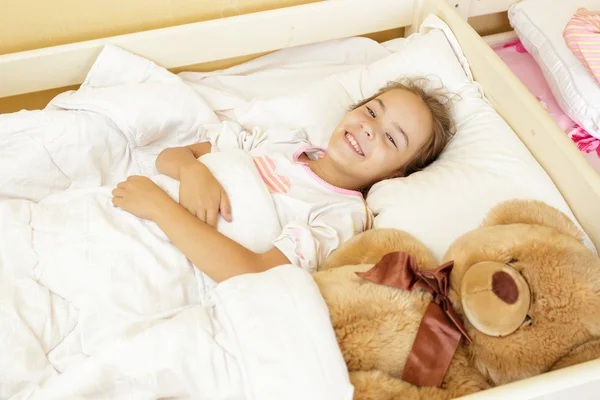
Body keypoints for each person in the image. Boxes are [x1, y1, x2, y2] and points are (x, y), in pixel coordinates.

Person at [111, 79, 455, 283]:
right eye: (371, 111)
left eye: (392, 139)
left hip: (169, 252)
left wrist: (161, 208)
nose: (369, 127)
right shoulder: (283, 142)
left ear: (398, 174)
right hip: (134, 210)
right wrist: (192, 171)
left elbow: (253, 272)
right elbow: (169, 156)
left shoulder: (340, 215)